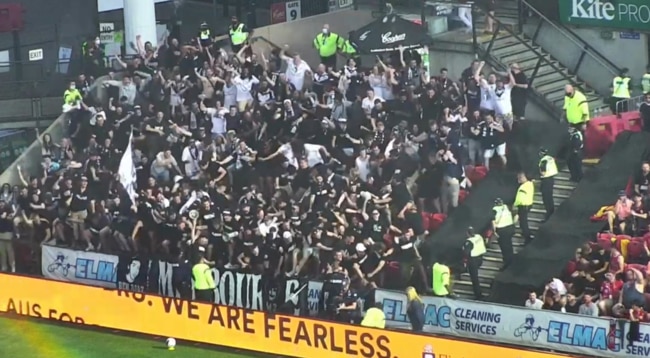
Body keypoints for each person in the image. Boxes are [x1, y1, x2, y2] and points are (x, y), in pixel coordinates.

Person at [462, 226, 487, 300]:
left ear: (467, 233)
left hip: (473, 260)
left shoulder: (469, 241)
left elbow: (466, 252)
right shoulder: (479, 236)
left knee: (474, 278)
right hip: (480, 258)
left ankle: (478, 294)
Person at [491, 197, 515, 270]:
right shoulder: (506, 207)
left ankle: (507, 264)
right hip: (510, 227)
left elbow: (493, 222)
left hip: (502, 229)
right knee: (509, 245)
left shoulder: (494, 210)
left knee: (504, 248)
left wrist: (494, 232)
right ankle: (512, 261)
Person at [513, 172, 534, 243]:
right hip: (528, 205)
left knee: (523, 223)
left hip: (523, 206)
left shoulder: (524, 187)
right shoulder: (530, 184)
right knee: (523, 222)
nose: (519, 179)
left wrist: (515, 205)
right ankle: (527, 234)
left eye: (521, 177)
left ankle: (527, 237)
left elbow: (520, 198)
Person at [538, 147, 557, 221]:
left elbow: (543, 172)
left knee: (546, 199)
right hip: (551, 179)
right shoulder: (550, 158)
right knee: (550, 198)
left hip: (546, 180)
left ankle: (549, 214)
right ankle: (551, 212)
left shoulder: (543, 161)